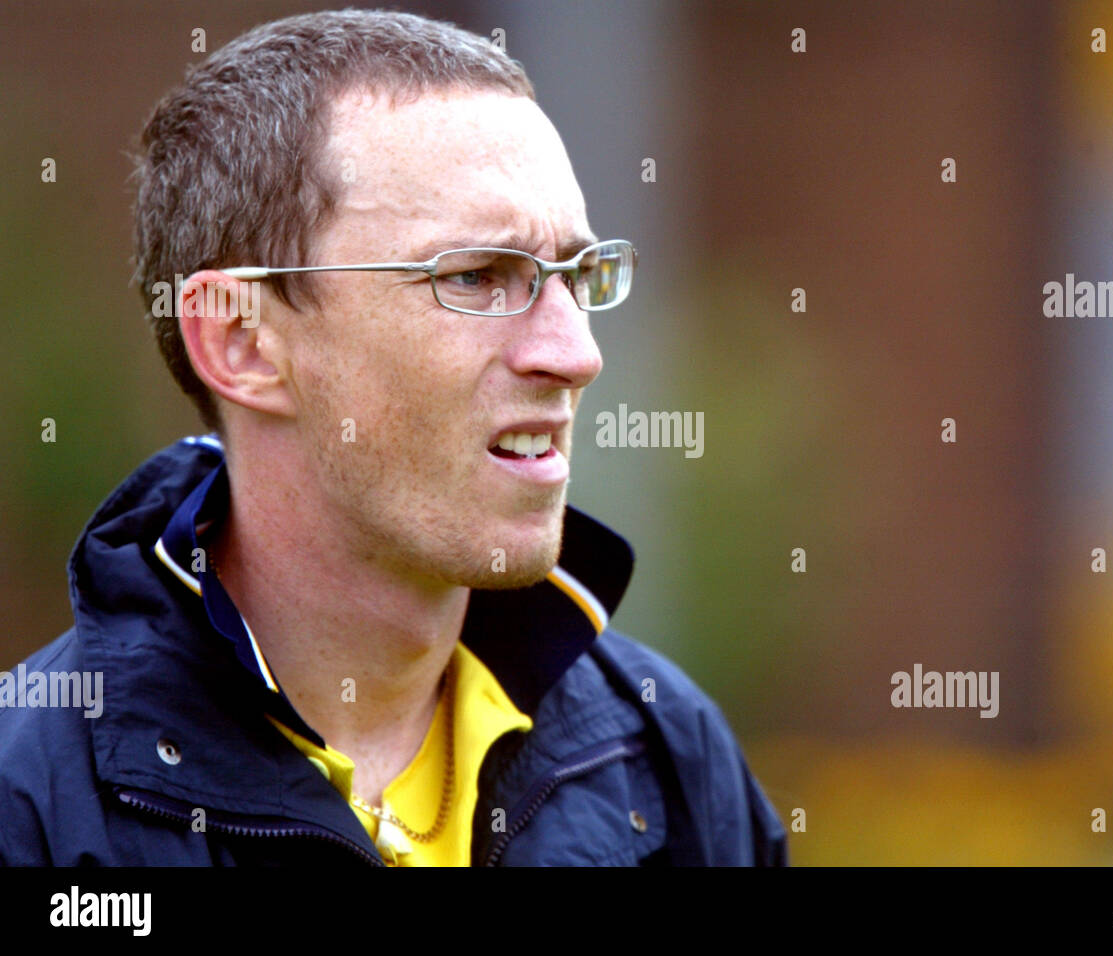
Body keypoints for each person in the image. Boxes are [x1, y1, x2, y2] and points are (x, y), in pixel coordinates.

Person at [0, 9, 787, 867]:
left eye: (576, 275)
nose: (576, 354)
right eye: (478, 277)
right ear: (239, 340)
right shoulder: (32, 808)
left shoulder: (667, 761)